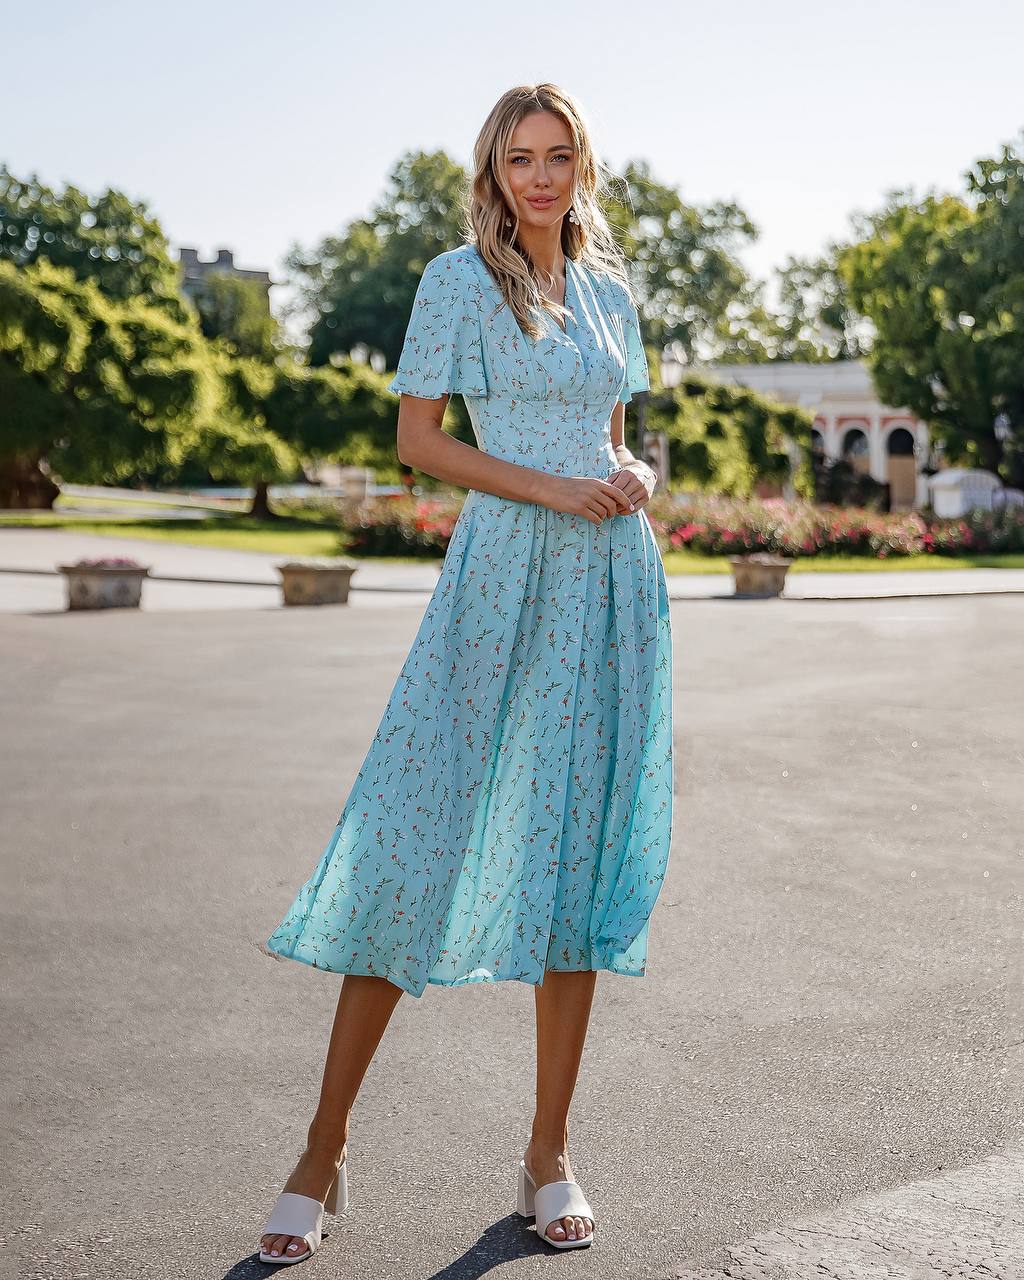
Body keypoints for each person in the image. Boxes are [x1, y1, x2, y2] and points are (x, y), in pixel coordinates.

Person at [257, 82, 674, 1264]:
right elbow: (418, 438)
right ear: (491, 171)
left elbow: (613, 435)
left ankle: (547, 1150)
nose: (538, 177)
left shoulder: (608, 290)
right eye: (518, 158)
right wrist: (551, 488)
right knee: (414, 836)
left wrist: (632, 475)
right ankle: (320, 1149)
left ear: (581, 167)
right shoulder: (456, 279)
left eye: (557, 156)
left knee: (576, 858)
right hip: (499, 579)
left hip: (608, 585)